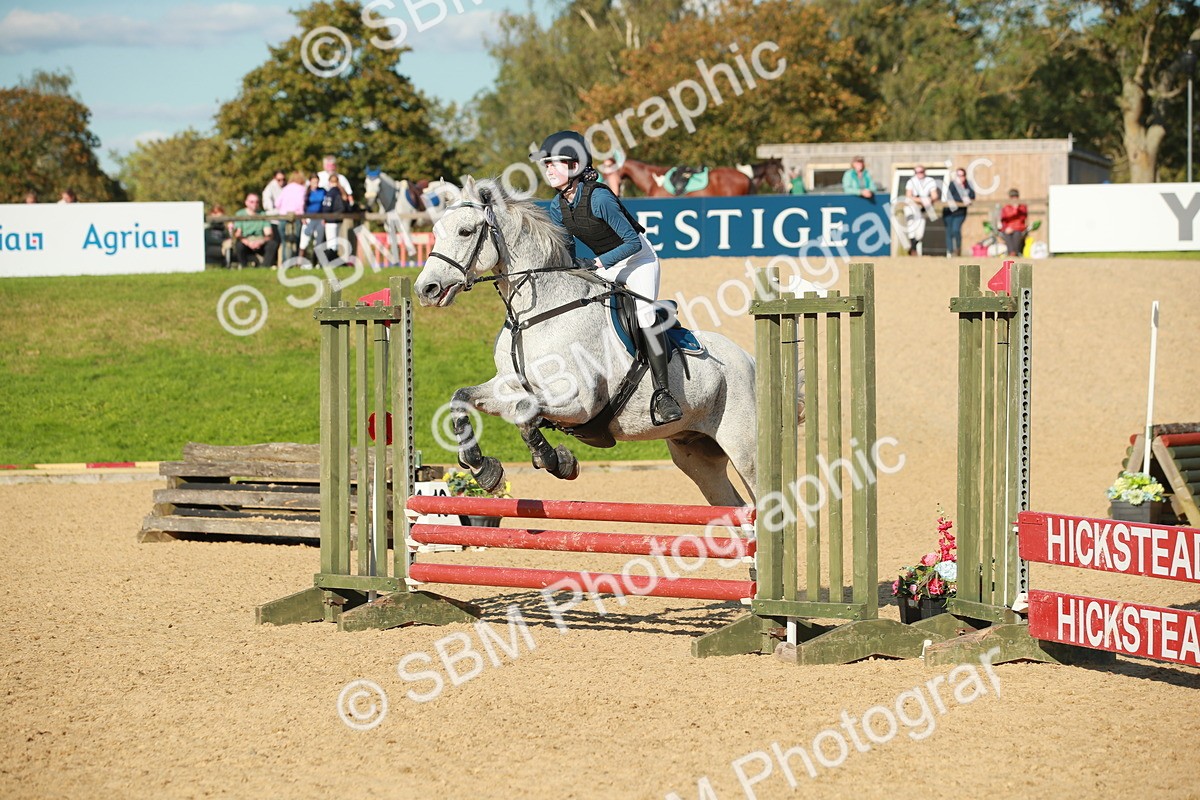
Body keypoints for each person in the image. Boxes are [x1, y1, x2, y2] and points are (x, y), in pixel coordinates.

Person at [532, 130, 682, 425]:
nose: (548, 168)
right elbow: (568, 251)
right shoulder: (557, 206)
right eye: (545, 163)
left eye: (555, 163)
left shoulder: (600, 198)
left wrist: (597, 264)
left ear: (575, 166)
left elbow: (633, 243)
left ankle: (664, 394)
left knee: (644, 316)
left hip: (639, 261)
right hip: (604, 265)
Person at [231, 193, 279, 268]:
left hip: (259, 240)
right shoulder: (240, 214)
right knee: (239, 245)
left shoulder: (262, 214)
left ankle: (265, 267)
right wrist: (248, 243)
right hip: (246, 241)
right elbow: (238, 234)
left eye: (257, 202)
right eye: (252, 202)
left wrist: (261, 241)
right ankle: (244, 267)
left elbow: (269, 233)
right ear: (246, 203)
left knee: (272, 244)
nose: (255, 204)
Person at [903, 165, 939, 255]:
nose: (919, 174)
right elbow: (909, 196)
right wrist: (922, 200)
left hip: (923, 208)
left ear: (924, 172)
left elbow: (934, 196)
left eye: (921, 171)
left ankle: (912, 248)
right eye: (917, 172)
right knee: (911, 228)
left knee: (919, 233)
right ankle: (913, 251)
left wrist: (928, 200)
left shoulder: (930, 181)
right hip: (911, 207)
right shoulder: (911, 181)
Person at [318, 169, 351, 264]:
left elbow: (327, 207)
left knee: (331, 244)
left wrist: (325, 217)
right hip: (339, 220)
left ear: (329, 182)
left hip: (331, 221)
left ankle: (327, 262)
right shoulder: (341, 192)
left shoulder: (331, 192)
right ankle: (335, 262)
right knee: (335, 243)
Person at [941, 167, 975, 258]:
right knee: (949, 231)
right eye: (958, 175)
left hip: (960, 213)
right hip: (949, 212)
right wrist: (963, 198)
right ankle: (950, 252)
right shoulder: (952, 185)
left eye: (962, 175)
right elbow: (949, 196)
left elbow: (972, 196)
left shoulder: (968, 185)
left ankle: (958, 249)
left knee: (956, 230)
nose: (960, 177)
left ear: (965, 176)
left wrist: (963, 191)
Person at [274, 171, 308, 254]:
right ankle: (293, 262)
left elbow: (277, 203)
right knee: (295, 241)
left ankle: (285, 263)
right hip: (296, 217)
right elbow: (301, 203)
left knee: (284, 242)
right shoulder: (302, 189)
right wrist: (302, 216)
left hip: (283, 216)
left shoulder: (286, 188)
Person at [298, 174, 326, 258]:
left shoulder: (322, 191)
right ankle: (300, 261)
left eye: (317, 182)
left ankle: (316, 262)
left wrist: (324, 217)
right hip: (308, 218)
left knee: (318, 241)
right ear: (310, 182)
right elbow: (301, 205)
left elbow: (325, 204)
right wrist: (302, 216)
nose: (315, 183)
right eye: (314, 182)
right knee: (305, 240)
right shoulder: (306, 192)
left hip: (319, 218)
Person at [1000, 188, 1028, 256]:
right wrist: (1006, 228)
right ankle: (1011, 252)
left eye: (1015, 196)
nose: (1014, 199)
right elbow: (1004, 220)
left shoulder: (1022, 208)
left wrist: (1016, 209)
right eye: (1012, 197)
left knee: (1017, 234)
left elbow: (1022, 219)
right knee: (1006, 234)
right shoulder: (1006, 208)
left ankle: (1014, 252)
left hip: (1019, 228)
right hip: (1008, 229)